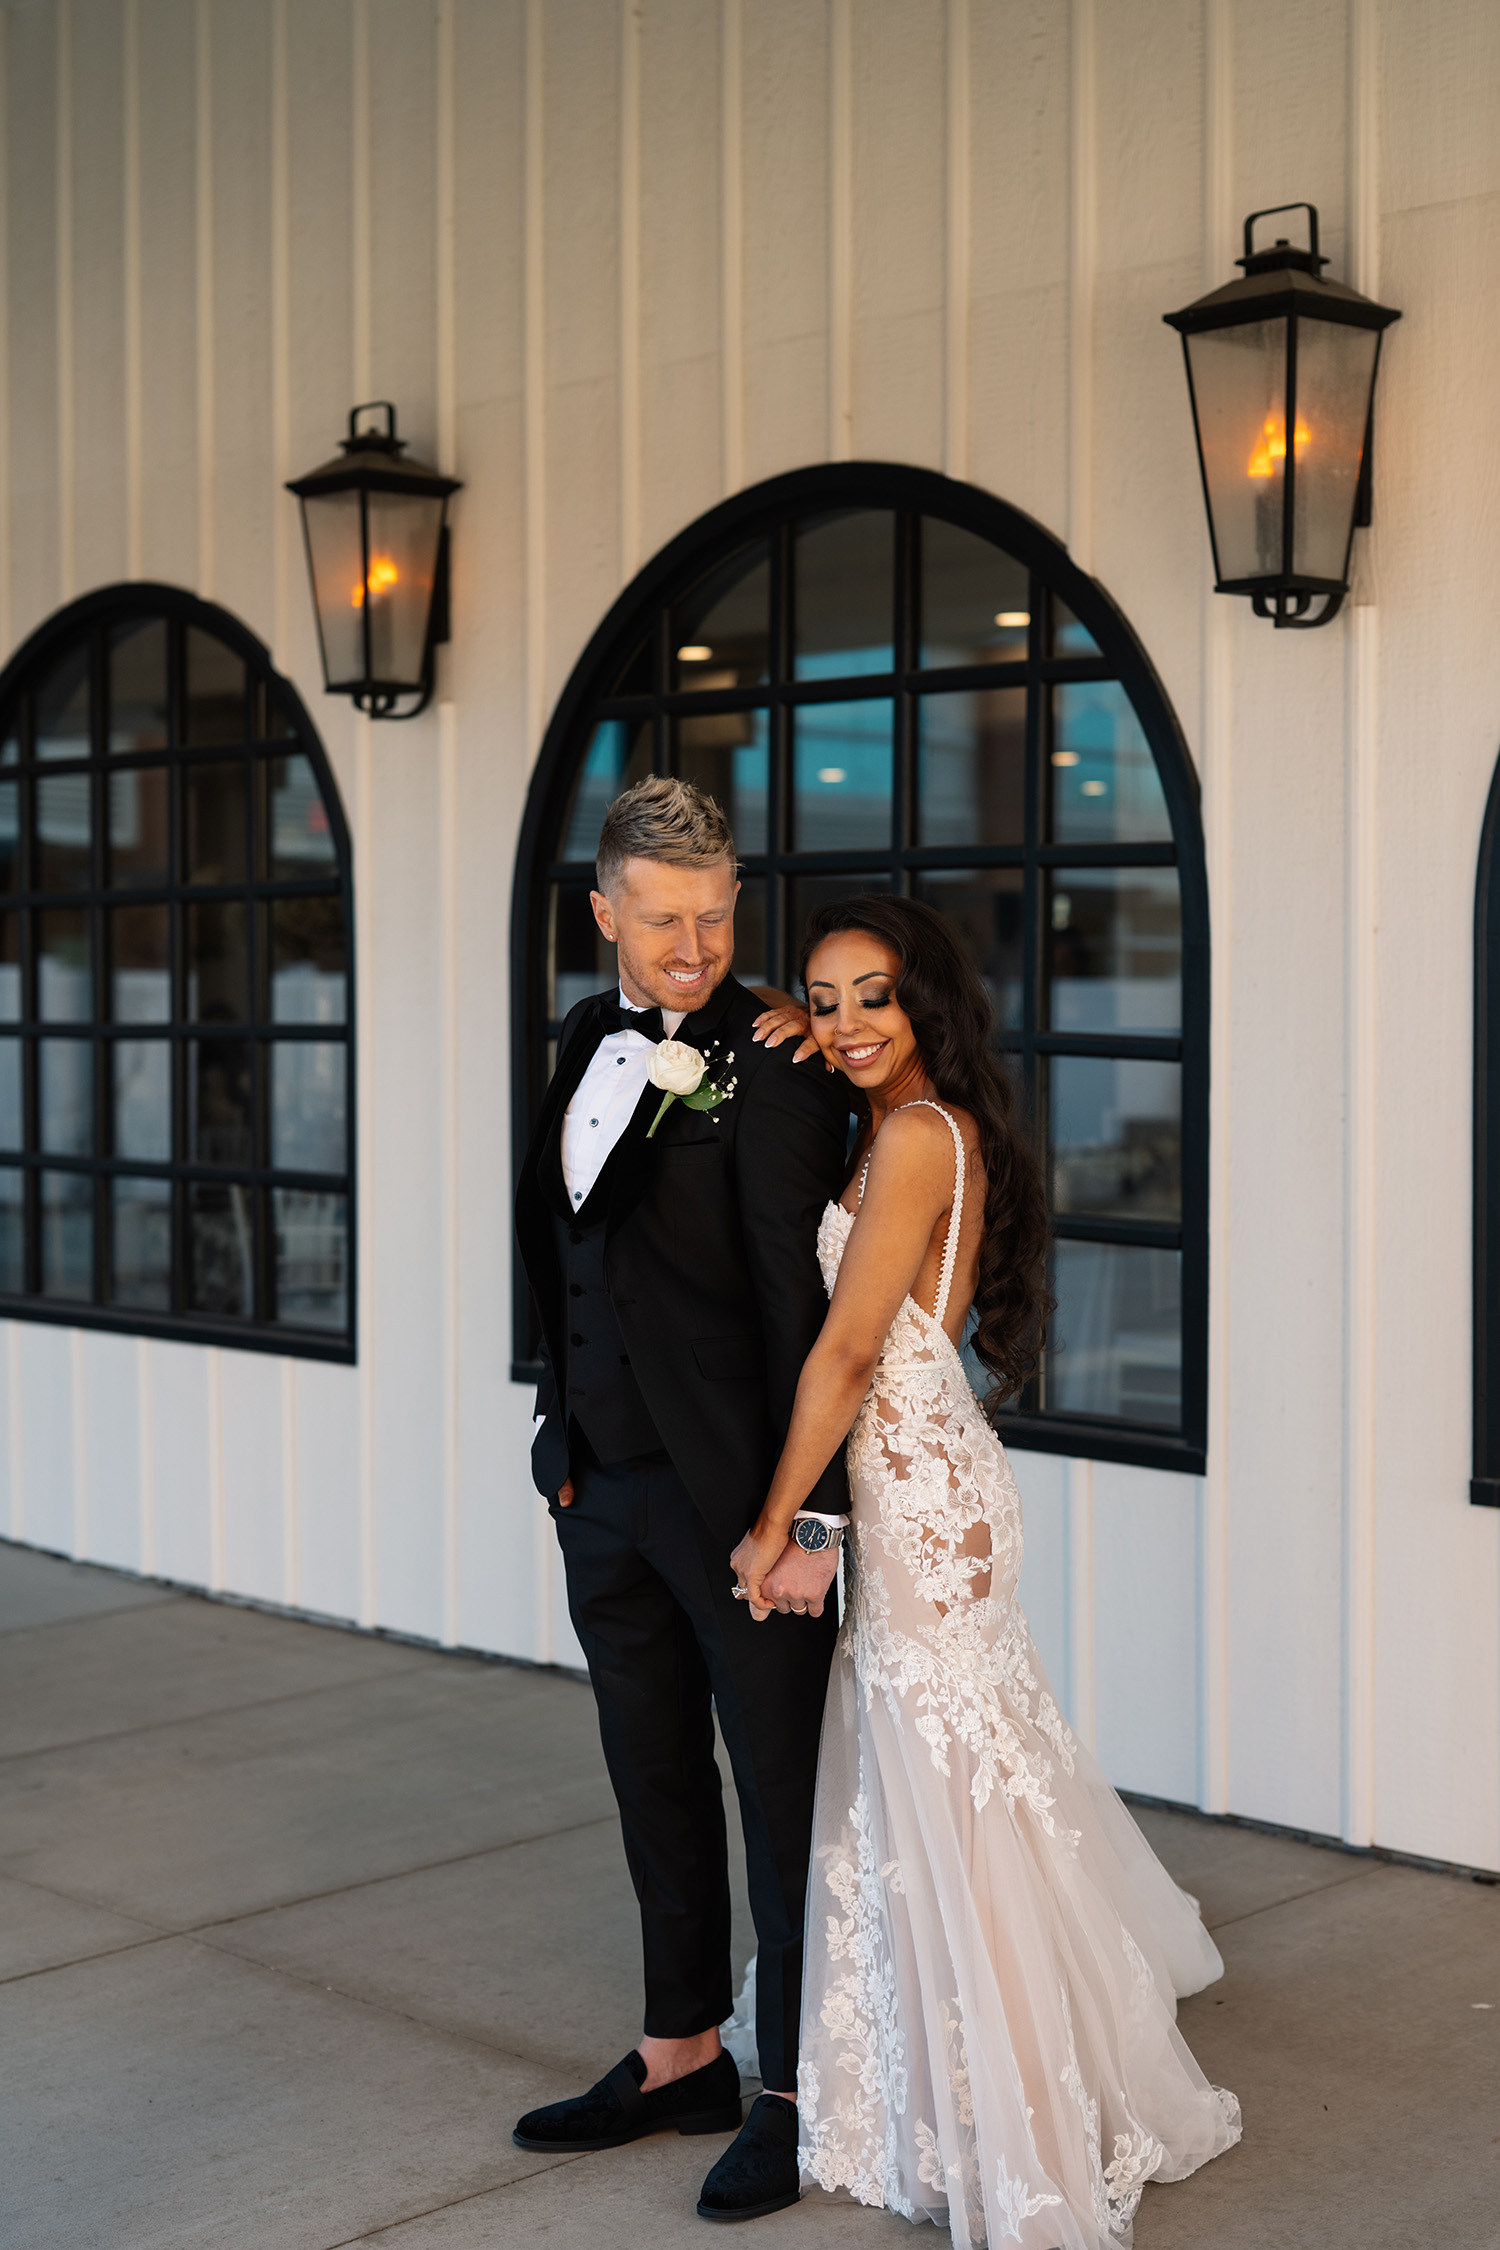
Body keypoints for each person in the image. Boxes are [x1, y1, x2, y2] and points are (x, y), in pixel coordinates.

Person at [734, 895, 1241, 2249]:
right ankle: (985, 2074)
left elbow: (845, 1358)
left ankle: (1026, 2128)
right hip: (922, 1484)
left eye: (872, 996)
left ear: (929, 1002)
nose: (844, 1022)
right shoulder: (925, 1121)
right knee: (966, 1784)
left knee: (961, 1799)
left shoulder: (910, 1136)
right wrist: (799, 1028)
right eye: (822, 996)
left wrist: (774, 1518)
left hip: (918, 1497)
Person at [510, 776, 853, 2224]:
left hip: (740, 1516)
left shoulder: (774, 1066)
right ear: (604, 913)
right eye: (660, 919)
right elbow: (560, 1231)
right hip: (599, 1487)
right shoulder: (585, 1036)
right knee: (651, 1776)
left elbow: (811, 1321)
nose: (693, 948)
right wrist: (561, 1444)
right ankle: (681, 2051)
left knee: (782, 1802)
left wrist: (810, 1525)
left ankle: (793, 2087)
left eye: (714, 916)